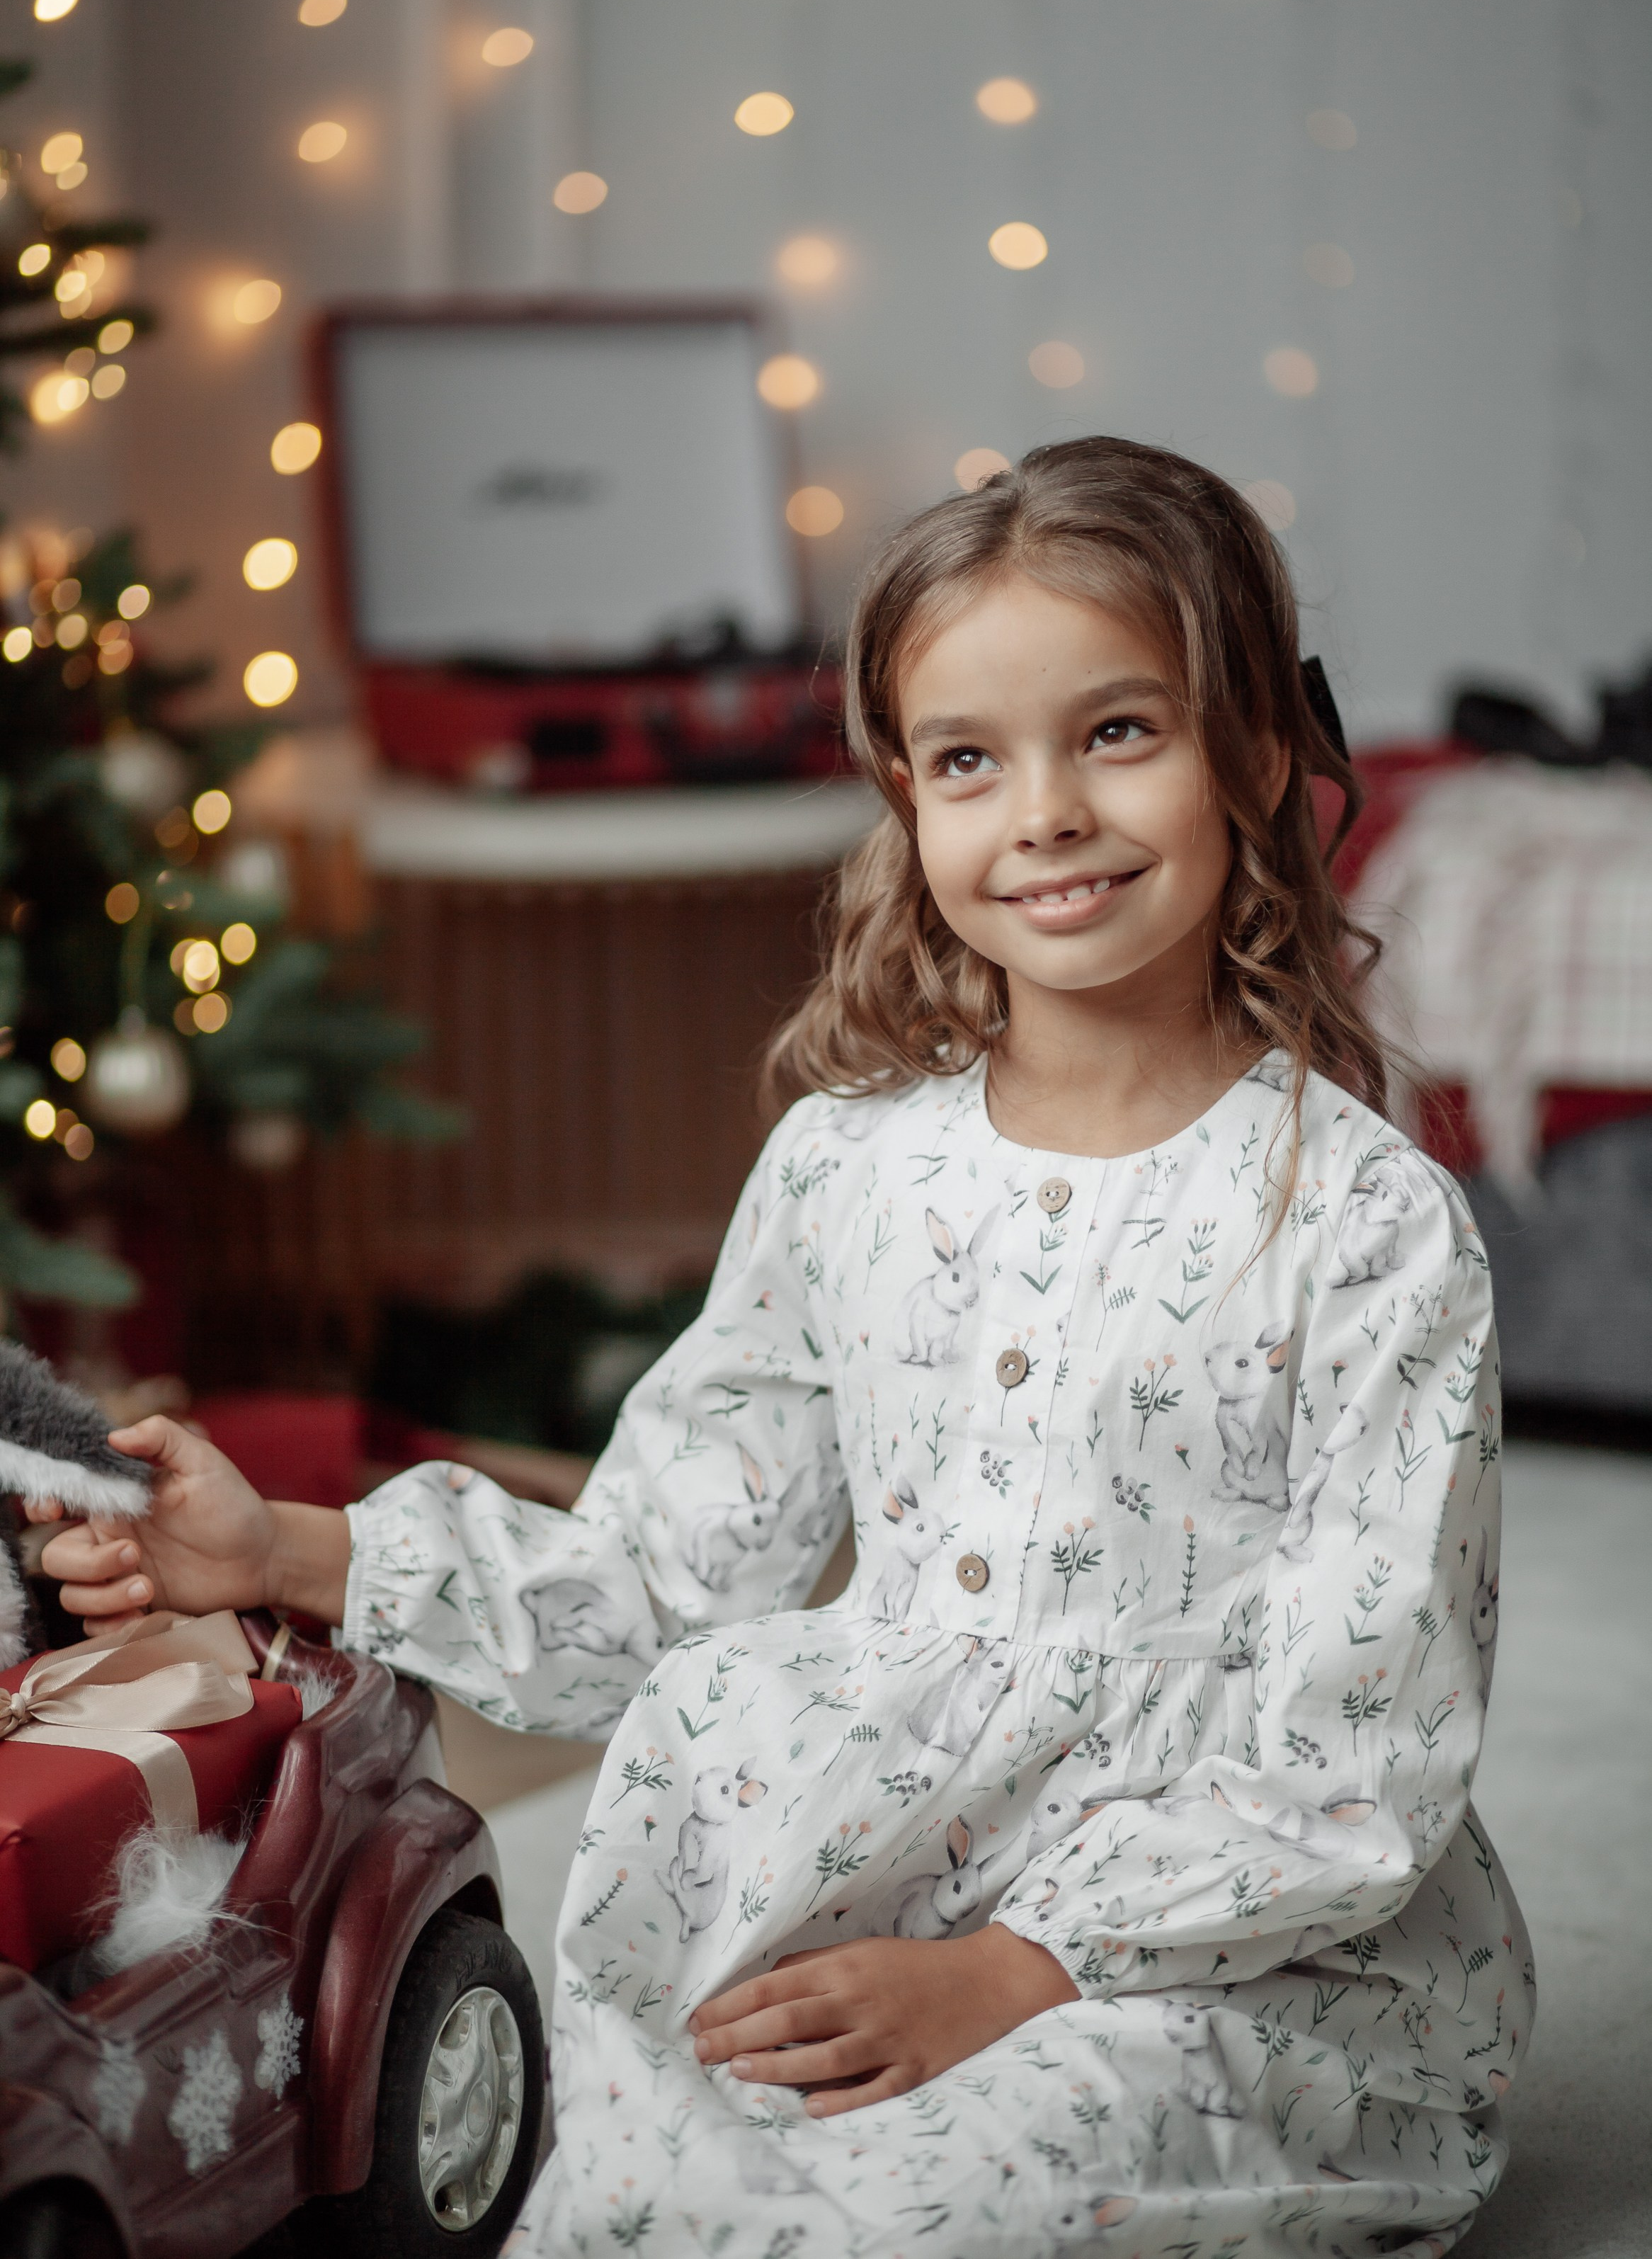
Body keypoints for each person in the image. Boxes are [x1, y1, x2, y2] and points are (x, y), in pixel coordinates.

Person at [41, 438, 1532, 2258]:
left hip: (1226, 1944)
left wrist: (1004, 1975)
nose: (1044, 811)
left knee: (957, 2199)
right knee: (640, 2174)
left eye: (1120, 732)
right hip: (871, 1861)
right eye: (971, 760)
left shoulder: (1369, 1223)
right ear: (908, 800)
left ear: (1258, 753)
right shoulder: (849, 1164)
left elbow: (1365, 1742)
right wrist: (277, 1545)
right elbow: (667, 1570)